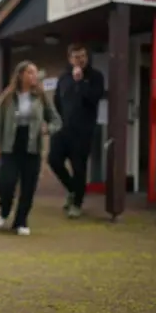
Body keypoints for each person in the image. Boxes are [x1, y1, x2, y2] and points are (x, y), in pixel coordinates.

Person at [0, 61, 62, 235]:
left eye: (35, 73)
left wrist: (47, 129)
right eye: (30, 72)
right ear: (21, 75)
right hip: (10, 145)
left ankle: (21, 221)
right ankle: (4, 209)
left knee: (28, 186)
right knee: (6, 182)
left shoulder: (41, 97)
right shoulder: (8, 96)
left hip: (32, 146)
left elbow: (56, 120)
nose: (34, 76)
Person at [48, 43, 105, 219]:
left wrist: (80, 82)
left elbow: (95, 98)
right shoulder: (64, 77)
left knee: (79, 167)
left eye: (83, 56)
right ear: (69, 58)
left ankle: (77, 204)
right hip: (64, 129)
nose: (79, 60)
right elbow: (57, 100)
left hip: (83, 131)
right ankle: (73, 189)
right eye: (76, 57)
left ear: (87, 57)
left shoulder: (95, 77)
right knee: (53, 160)